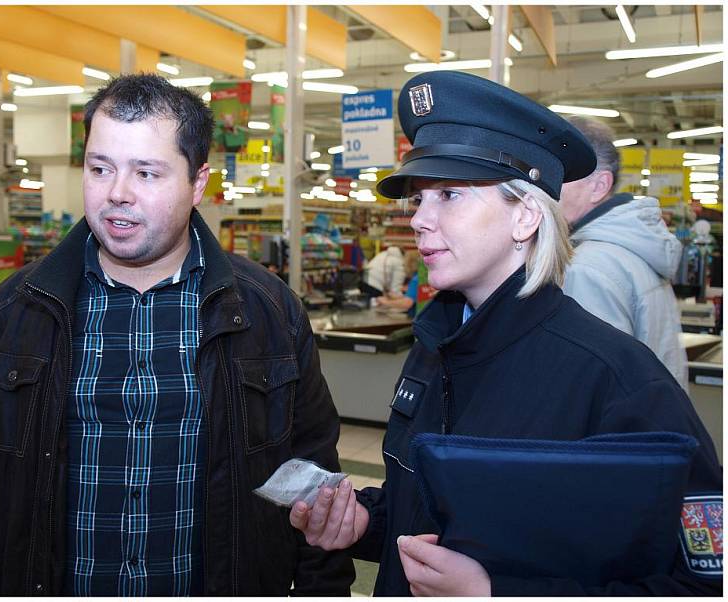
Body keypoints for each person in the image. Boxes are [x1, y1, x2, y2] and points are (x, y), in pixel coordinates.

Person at [289, 71, 722, 596]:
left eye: (448, 195)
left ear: (526, 218)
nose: (419, 219)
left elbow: (698, 584)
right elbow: (431, 516)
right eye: (418, 199)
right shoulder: (435, 351)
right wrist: (367, 523)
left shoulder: (618, 381)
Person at [0, 74, 354, 596]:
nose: (117, 194)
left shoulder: (267, 313)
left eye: (147, 173)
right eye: (99, 168)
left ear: (198, 182)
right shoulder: (14, 313)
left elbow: (315, 486)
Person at [560, 115, 688, 390]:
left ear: (599, 186)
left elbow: (590, 387)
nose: (543, 188)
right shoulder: (632, 248)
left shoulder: (589, 267)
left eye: (559, 174)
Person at [375, 249, 420, 314]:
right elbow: (414, 298)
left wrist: (385, 302)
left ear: (410, 264)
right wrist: (395, 297)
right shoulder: (421, 277)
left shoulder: (416, 280)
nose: (403, 267)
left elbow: (407, 303)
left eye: (404, 264)